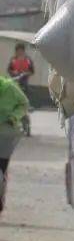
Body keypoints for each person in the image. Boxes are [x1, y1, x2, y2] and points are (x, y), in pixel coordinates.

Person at [0, 70, 30, 212]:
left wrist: (14, 117)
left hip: (6, 133)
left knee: (2, 165)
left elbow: (24, 104)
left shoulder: (9, 88)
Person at [6, 44, 34, 137]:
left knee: (23, 104)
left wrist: (26, 73)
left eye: (21, 50)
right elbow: (9, 70)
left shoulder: (28, 60)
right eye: (18, 50)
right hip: (14, 84)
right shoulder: (13, 60)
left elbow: (32, 71)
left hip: (24, 84)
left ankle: (27, 124)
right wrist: (13, 72)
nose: (19, 52)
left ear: (23, 51)